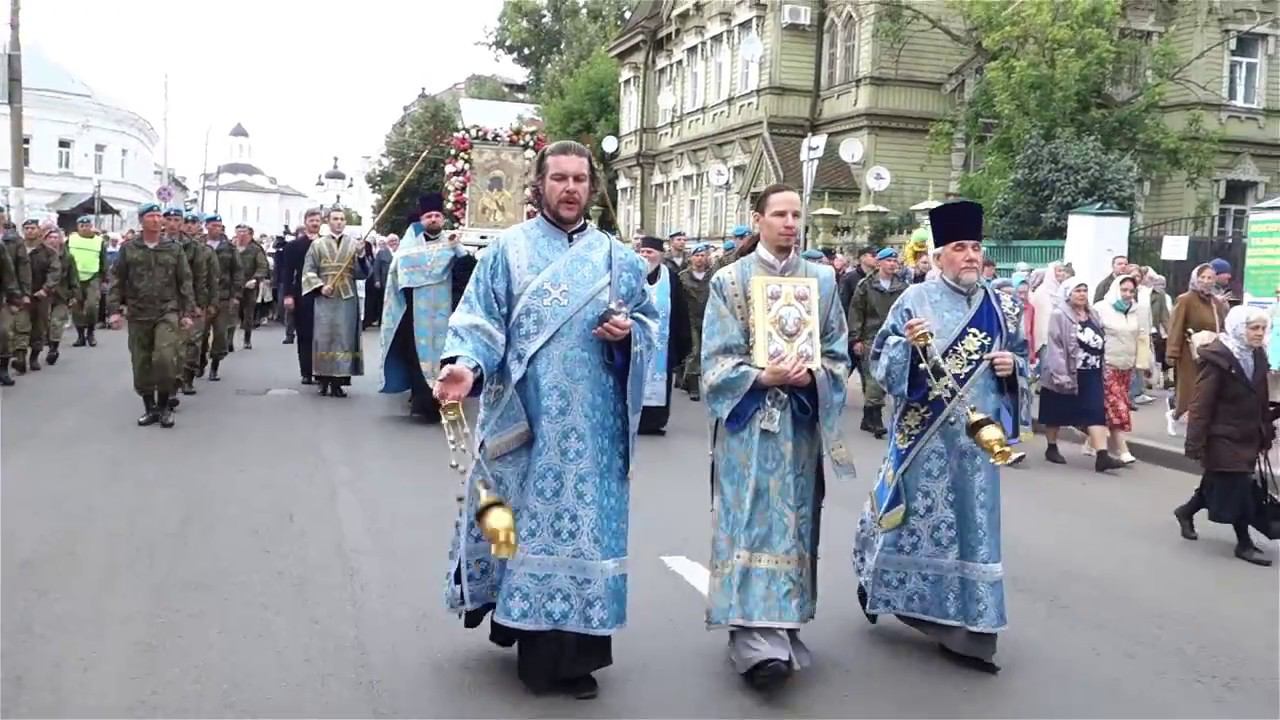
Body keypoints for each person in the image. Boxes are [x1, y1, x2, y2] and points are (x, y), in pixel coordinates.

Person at [432, 140, 658, 700]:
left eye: (580, 179)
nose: (570, 188)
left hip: (594, 429)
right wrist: (463, 366)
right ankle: (524, 635)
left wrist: (630, 336)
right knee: (521, 527)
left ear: (591, 186)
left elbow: (651, 326)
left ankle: (578, 657)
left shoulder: (617, 259)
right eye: (559, 178)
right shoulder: (508, 252)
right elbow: (479, 322)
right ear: (539, 184)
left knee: (582, 535)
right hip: (525, 419)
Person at [852, 199, 1026, 675]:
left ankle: (974, 629)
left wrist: (1013, 370)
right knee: (913, 526)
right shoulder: (914, 301)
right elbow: (881, 362)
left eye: (975, 247)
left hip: (978, 444)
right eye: (959, 248)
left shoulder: (1002, 305)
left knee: (975, 531)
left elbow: (1022, 359)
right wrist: (908, 348)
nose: (970, 255)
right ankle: (892, 592)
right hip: (925, 440)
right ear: (939, 256)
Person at [699, 184, 852, 691]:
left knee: (794, 521)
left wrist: (812, 377)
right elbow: (715, 362)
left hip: (799, 426)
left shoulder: (824, 282)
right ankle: (751, 633)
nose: (790, 223)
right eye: (780, 215)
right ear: (758, 219)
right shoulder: (730, 282)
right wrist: (760, 378)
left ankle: (783, 623)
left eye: (796, 215)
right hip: (749, 425)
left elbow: (836, 353)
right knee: (749, 519)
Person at [1176, 305, 1275, 566]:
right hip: (1222, 435)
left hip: (1247, 433)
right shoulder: (1219, 359)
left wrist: (1266, 430)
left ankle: (1186, 511)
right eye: (1253, 328)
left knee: (1217, 480)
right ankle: (1244, 544)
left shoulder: (1257, 355)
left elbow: (1261, 398)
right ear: (1238, 328)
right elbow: (1201, 403)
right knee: (1239, 486)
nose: (1259, 333)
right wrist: (1194, 442)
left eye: (1263, 329)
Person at [379, 194, 477, 421]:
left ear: (442, 219)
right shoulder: (409, 245)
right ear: (421, 220)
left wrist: (458, 248)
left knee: (446, 359)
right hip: (416, 312)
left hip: (446, 312)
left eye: (437, 216)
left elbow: (469, 272)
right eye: (428, 216)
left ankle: (444, 404)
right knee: (417, 357)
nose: (433, 219)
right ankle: (422, 404)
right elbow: (399, 275)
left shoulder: (452, 242)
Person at [107, 203, 195, 428]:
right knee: (141, 362)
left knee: (165, 358)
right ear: (141, 221)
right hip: (138, 313)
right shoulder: (129, 248)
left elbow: (184, 280)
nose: (156, 220)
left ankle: (165, 406)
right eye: (151, 216)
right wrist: (114, 311)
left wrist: (187, 312)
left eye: (158, 216)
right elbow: (117, 280)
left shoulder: (173, 248)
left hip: (167, 310)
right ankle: (150, 408)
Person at [1039, 280, 1126, 471]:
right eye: (1077, 290)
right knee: (1056, 411)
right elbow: (1056, 345)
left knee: (1096, 412)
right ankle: (1051, 447)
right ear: (1068, 293)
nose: (1082, 294)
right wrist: (1060, 375)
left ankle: (1102, 456)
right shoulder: (1059, 315)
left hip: (1092, 371)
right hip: (1067, 371)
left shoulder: (1092, 313)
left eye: (1085, 290)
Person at [300, 206, 369, 398]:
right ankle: (323, 379)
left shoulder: (354, 244)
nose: (339, 222)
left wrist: (362, 256)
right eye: (335, 219)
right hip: (325, 296)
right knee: (324, 338)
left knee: (344, 339)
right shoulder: (318, 245)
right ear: (328, 221)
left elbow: (363, 273)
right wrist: (320, 286)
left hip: (347, 297)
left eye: (342, 219)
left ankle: (339, 381)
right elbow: (308, 270)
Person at [848, 247, 909, 439]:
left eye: (895, 261)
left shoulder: (903, 286)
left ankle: (869, 417)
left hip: (894, 336)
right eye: (888, 261)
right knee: (873, 376)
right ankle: (874, 419)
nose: (892, 264)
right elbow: (856, 312)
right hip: (871, 336)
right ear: (879, 263)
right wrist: (855, 338)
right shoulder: (865, 285)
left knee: (888, 375)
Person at [636, 235, 692, 435]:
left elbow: (680, 311)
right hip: (637, 342)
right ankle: (634, 419)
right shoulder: (632, 274)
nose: (645, 256)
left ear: (659, 255)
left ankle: (655, 421)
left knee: (660, 379)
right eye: (642, 252)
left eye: (649, 252)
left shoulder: (671, 278)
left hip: (662, 343)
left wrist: (683, 343)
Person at [1166, 263, 1228, 436]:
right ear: (1195, 278)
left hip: (1212, 352)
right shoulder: (1186, 299)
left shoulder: (1216, 302)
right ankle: (1179, 416)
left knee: (1208, 389)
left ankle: (1198, 423)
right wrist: (1172, 352)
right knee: (1190, 389)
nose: (1206, 281)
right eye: (1203, 277)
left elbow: (1222, 326)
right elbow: (1176, 326)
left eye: (1210, 278)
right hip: (1190, 352)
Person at [284, 210, 323, 383]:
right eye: (311, 220)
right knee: (305, 333)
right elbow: (287, 272)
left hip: (323, 292)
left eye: (317, 220)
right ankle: (306, 371)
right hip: (303, 293)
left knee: (323, 334)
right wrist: (288, 295)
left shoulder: (326, 243)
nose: (314, 223)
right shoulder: (294, 246)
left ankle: (322, 370)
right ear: (305, 222)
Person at [203, 215, 242, 381]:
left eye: (219, 226)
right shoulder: (198, 245)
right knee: (200, 335)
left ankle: (215, 367)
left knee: (220, 334)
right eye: (213, 225)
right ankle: (199, 361)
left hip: (223, 296)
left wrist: (236, 295)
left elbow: (237, 271)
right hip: (202, 297)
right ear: (207, 226)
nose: (216, 228)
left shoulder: (229, 248)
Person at [678, 242, 713, 400]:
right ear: (691, 258)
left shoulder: (712, 275)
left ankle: (687, 379)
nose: (699, 259)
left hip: (709, 317)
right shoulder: (683, 276)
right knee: (694, 350)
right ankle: (693, 385)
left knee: (708, 351)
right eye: (696, 256)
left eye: (702, 256)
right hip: (690, 317)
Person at [66, 215, 107, 348]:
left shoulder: (99, 241)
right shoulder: (71, 240)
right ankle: (80, 336)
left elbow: (103, 260)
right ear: (77, 227)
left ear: (91, 226)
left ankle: (90, 332)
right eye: (82, 226)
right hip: (75, 277)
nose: (84, 228)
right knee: (76, 308)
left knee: (91, 306)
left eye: (87, 226)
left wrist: (103, 278)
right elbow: (65, 258)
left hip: (93, 277)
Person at [41, 224, 78, 366]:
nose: (53, 240)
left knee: (57, 322)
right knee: (44, 324)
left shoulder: (68, 257)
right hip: (42, 295)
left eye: (56, 237)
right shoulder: (39, 255)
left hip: (61, 295)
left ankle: (53, 349)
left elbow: (73, 277)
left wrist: (74, 294)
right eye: (50, 237)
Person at [234, 224, 270, 350]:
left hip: (249, 286)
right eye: (239, 232)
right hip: (233, 286)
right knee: (232, 312)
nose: (242, 234)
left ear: (250, 235)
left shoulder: (256, 249)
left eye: (245, 232)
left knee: (248, 313)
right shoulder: (231, 248)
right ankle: (228, 341)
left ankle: (247, 339)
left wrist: (255, 279)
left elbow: (262, 266)